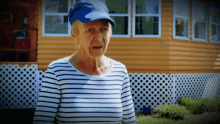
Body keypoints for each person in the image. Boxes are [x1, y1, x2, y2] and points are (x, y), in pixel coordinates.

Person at [33, 0, 137, 123]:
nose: (98, 38)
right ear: (74, 35)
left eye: (104, 29)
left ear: (110, 33)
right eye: (90, 30)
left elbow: (130, 121)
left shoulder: (120, 71)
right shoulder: (57, 72)